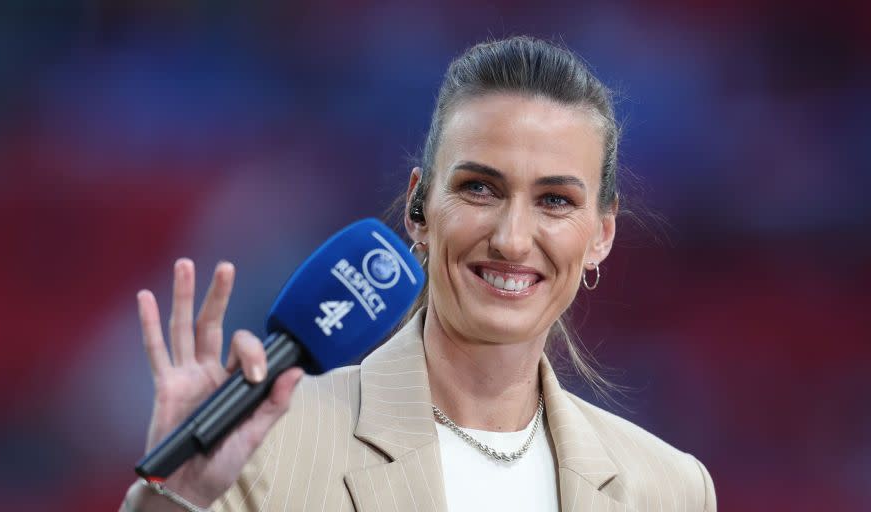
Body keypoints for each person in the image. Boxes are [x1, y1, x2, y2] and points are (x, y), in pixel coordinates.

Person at [121, 36, 716, 512]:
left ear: (602, 235)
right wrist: (182, 495)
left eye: (555, 200)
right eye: (479, 188)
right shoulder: (268, 438)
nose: (511, 238)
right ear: (419, 209)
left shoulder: (670, 490)